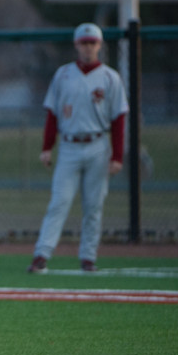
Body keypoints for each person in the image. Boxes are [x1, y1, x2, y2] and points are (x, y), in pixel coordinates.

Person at [27, 22, 128, 274]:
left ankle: (88, 257)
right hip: (70, 145)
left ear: (100, 45)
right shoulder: (63, 74)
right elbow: (52, 113)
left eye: (92, 42)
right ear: (76, 44)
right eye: (84, 42)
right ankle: (42, 254)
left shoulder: (110, 77)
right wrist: (47, 147)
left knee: (94, 205)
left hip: (97, 144)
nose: (88, 47)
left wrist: (117, 155)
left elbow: (118, 119)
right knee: (59, 201)